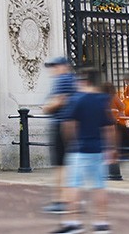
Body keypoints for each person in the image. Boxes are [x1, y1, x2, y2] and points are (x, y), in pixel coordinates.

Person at [53, 68, 116, 234]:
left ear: (85, 81)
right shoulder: (103, 99)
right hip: (98, 150)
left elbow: (68, 124)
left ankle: (73, 222)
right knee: (99, 187)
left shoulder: (77, 99)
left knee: (72, 186)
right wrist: (111, 148)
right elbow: (109, 127)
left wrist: (71, 142)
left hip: (79, 149)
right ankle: (101, 222)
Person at [42, 56, 76, 213]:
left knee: (60, 164)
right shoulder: (72, 80)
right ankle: (69, 198)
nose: (53, 70)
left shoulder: (63, 80)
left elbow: (57, 101)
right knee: (65, 164)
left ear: (64, 66)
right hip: (69, 124)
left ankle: (62, 200)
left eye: (56, 66)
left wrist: (47, 107)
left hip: (60, 124)